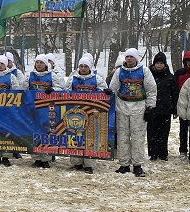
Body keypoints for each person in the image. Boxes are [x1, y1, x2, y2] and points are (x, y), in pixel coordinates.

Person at [108, 48, 157, 177]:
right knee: (123, 137)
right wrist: (108, 96)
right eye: (127, 56)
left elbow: (151, 90)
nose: (129, 59)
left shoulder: (144, 71)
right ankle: (124, 164)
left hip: (139, 108)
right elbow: (113, 88)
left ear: (136, 58)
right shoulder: (119, 72)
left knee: (137, 138)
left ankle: (137, 165)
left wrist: (150, 107)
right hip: (122, 107)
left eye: (131, 57)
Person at [64, 55, 107, 173]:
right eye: (81, 66)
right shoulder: (72, 79)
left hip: (91, 112)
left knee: (90, 137)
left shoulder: (97, 79)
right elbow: (65, 92)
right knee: (75, 136)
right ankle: (76, 162)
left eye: (85, 66)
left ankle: (89, 163)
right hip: (75, 112)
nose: (83, 68)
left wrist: (106, 92)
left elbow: (104, 92)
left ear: (90, 67)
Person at [28, 54, 59, 168]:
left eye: (41, 63)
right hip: (34, 108)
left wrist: (53, 90)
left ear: (46, 64)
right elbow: (22, 90)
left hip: (48, 109)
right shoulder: (30, 76)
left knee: (48, 132)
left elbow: (62, 89)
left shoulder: (52, 76)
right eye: (37, 62)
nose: (39, 65)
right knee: (34, 132)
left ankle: (46, 157)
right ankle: (36, 157)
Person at [146, 53, 177, 161]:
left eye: (161, 63)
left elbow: (174, 93)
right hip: (152, 109)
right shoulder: (149, 76)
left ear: (165, 64)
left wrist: (174, 109)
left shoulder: (170, 77)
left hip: (165, 109)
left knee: (164, 133)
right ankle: (153, 153)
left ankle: (163, 153)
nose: (159, 65)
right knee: (152, 133)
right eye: (157, 63)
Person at [173, 50, 190, 156]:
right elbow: (174, 90)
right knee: (183, 129)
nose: (189, 63)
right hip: (183, 104)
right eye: (187, 60)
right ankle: (183, 149)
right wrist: (175, 107)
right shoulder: (180, 73)